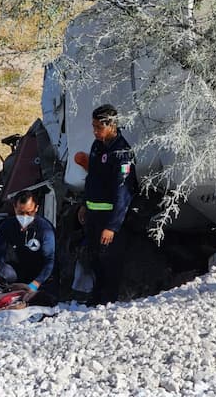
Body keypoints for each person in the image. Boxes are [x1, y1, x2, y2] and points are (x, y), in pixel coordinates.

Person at [75, 104, 138, 306]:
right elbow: (92, 178)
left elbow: (123, 192)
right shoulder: (97, 146)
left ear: (111, 125)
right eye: (93, 127)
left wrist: (112, 226)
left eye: (98, 127)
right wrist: (85, 204)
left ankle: (109, 300)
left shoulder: (121, 152)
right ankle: (96, 294)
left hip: (109, 218)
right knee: (93, 257)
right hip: (93, 214)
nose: (95, 131)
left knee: (109, 260)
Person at [0, 190, 57, 300]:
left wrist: (36, 283)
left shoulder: (45, 229)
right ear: (14, 208)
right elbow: (0, 252)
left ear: (36, 208)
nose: (24, 217)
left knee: (46, 294)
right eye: (20, 213)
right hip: (20, 269)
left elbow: (50, 261)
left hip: (41, 274)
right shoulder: (7, 226)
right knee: (1, 274)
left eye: (29, 213)